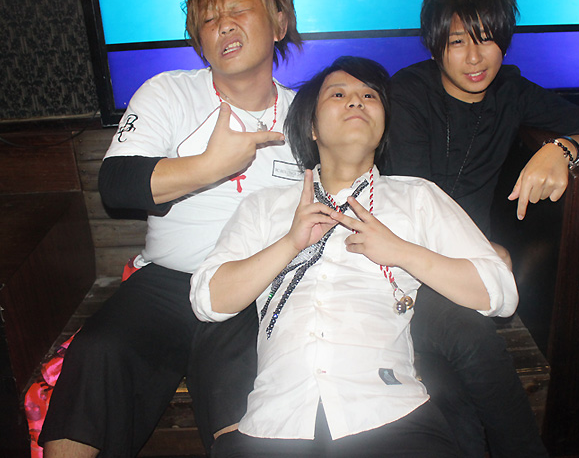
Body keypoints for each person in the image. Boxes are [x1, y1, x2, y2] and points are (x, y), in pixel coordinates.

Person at [190, 55, 519, 458]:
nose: (356, 101)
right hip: (273, 421)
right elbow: (208, 300)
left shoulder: (417, 196)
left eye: (369, 96)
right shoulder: (265, 206)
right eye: (338, 94)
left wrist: (402, 252)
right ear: (311, 127)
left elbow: (500, 291)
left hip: (391, 412)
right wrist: (289, 243)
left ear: (383, 128)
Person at [39, 0, 303, 457]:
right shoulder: (169, 91)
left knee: (242, 395)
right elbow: (117, 185)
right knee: (98, 350)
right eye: (208, 19)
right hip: (166, 281)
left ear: (279, 22)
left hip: (255, 287)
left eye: (238, 10)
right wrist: (208, 166)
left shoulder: (306, 114)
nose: (223, 25)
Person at [385, 0, 579, 458]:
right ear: (435, 46)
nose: (475, 58)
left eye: (487, 38)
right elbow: (416, 204)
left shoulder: (510, 92)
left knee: (457, 401)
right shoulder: (409, 95)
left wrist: (563, 150)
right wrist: (481, 250)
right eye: (458, 41)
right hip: (408, 268)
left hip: (467, 280)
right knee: (464, 372)